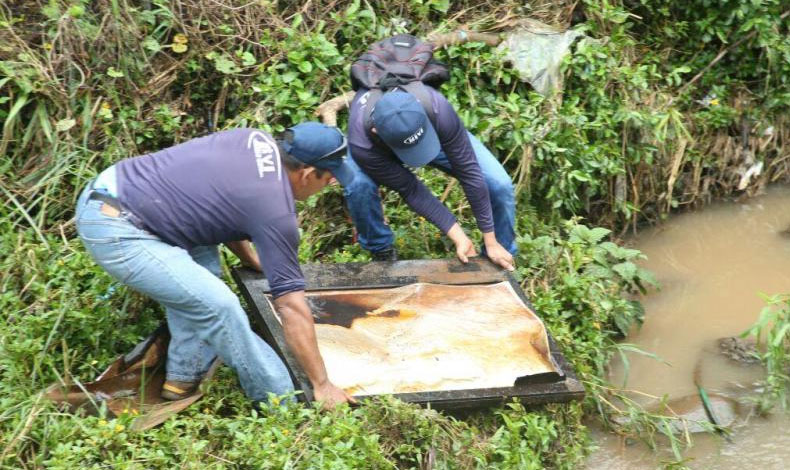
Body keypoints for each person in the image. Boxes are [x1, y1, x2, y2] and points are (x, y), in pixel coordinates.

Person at [74, 123, 355, 408]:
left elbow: (224, 209)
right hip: (118, 229)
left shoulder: (252, 139)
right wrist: (322, 384)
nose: (331, 184)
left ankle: (182, 378)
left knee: (203, 279)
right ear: (307, 174)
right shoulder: (275, 211)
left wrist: (248, 259)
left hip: (115, 187)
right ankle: (278, 402)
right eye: (330, 178)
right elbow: (292, 307)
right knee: (220, 307)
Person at [336, 86, 517, 271]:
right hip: (379, 148)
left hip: (427, 129)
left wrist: (490, 238)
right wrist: (459, 238)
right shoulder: (362, 144)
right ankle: (381, 249)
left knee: (499, 184)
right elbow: (411, 189)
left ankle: (498, 255)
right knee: (359, 185)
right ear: (376, 130)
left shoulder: (436, 106)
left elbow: (469, 170)